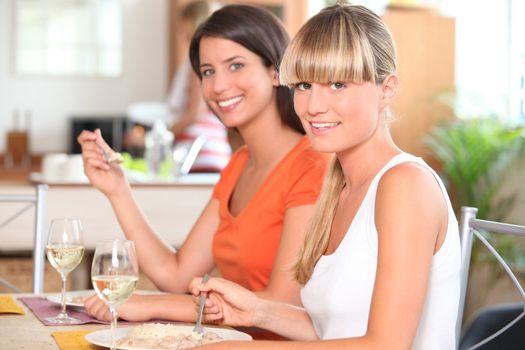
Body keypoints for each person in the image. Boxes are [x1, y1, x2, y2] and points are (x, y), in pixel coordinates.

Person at [189, 4, 461, 349]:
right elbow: (331, 328)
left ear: (386, 89)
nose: (313, 106)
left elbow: (387, 344)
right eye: (303, 85)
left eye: (337, 84)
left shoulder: (405, 185)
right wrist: (257, 312)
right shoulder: (339, 187)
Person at [77, 4, 328, 323]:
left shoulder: (311, 166)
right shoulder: (239, 164)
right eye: (208, 71)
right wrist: (118, 189)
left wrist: (154, 305)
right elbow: (176, 275)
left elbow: (281, 305)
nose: (219, 85)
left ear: (276, 71)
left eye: (235, 66)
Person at [167, 0, 231, 173]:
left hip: (200, 152)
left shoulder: (199, 62)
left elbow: (195, 113)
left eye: (184, 23)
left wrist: (165, 136)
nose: (180, 30)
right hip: (212, 151)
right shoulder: (210, 60)